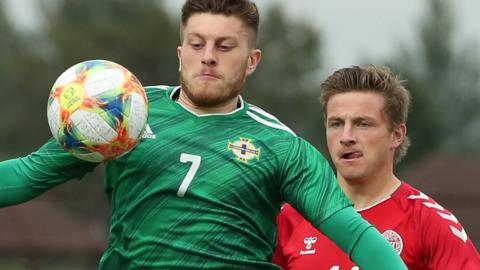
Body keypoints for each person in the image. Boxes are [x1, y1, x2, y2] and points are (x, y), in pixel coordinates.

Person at [0, 1, 407, 269]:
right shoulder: (120, 111)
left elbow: (358, 239)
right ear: (181, 52)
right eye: (197, 43)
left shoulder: (283, 147)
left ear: (252, 61)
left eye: (224, 46)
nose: (208, 55)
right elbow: (28, 175)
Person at [273, 65, 480, 269]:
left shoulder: (428, 222)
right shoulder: (291, 219)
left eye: (363, 124)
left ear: (396, 135)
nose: (346, 137)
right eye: (336, 124)